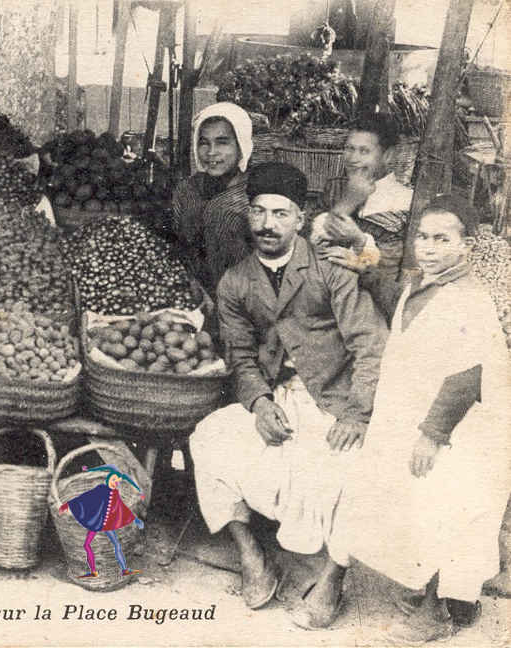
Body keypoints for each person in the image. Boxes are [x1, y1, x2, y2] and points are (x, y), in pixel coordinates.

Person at [188, 162, 387, 627]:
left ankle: (333, 578)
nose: (266, 224)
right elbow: (239, 357)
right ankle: (252, 554)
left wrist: (358, 415)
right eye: (258, 212)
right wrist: (259, 404)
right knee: (211, 436)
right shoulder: (236, 281)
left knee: (351, 468)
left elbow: (369, 344)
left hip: (337, 398)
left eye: (280, 213)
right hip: (279, 399)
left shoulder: (329, 268)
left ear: (300, 219)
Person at [327, 195, 511, 643]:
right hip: (407, 414)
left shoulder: (470, 299)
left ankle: (432, 606)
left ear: (466, 245)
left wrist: (432, 435)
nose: (428, 247)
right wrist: (364, 266)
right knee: (378, 491)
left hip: (456, 428)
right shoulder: (419, 284)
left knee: (439, 508)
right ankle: (354, 582)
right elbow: (399, 302)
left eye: (442, 239)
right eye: (423, 238)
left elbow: (466, 377)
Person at [310, 113, 413, 312]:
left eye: (364, 151)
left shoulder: (404, 200)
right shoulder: (334, 187)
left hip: (372, 304)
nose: (353, 159)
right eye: (349, 149)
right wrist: (349, 201)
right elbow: (310, 242)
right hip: (323, 294)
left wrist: (359, 240)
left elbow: (389, 269)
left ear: (388, 155)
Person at [170, 102, 255, 299]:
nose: (211, 152)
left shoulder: (255, 194)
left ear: (241, 144)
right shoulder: (187, 190)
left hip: (244, 304)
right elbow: (178, 244)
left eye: (222, 142)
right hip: (193, 299)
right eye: (203, 142)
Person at [58, 464, 146, 578]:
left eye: (117, 481)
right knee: (87, 545)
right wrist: (68, 504)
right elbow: (86, 497)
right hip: (97, 522)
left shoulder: (115, 494)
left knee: (116, 544)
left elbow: (122, 508)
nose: (115, 483)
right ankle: (93, 571)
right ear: (109, 478)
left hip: (107, 524)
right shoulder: (101, 489)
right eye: (114, 479)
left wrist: (136, 519)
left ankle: (124, 569)